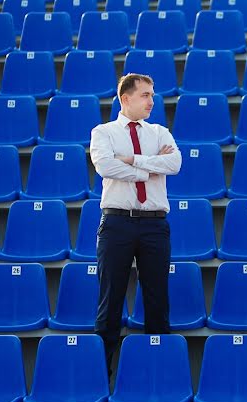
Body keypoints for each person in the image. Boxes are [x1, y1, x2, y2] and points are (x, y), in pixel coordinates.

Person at [89, 73, 182, 374]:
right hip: (117, 222)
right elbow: (104, 165)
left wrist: (130, 160)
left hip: (155, 225)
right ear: (125, 98)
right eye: (145, 95)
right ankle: (102, 377)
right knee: (110, 300)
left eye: (152, 95)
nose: (152, 101)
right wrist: (146, 168)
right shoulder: (103, 132)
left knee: (158, 300)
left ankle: (158, 375)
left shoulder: (159, 132)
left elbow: (174, 164)